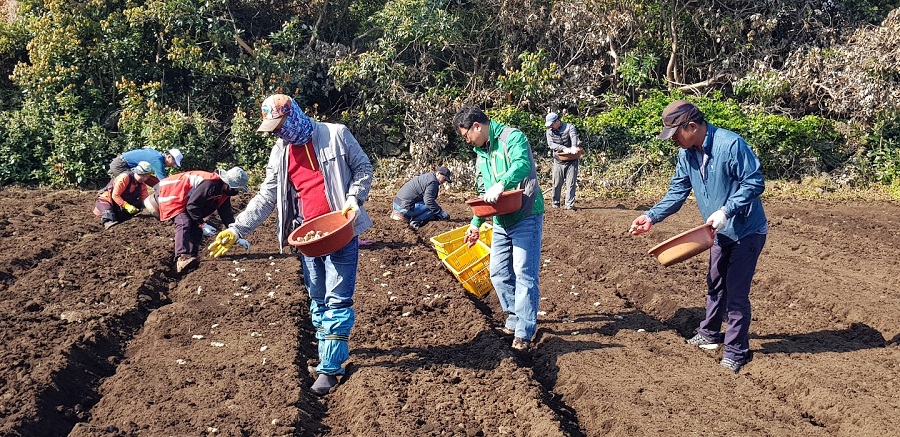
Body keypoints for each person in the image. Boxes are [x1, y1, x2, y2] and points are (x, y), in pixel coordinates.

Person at [206, 94, 374, 396]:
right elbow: (266, 197)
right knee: (319, 297)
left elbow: (364, 169)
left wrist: (354, 198)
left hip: (341, 229)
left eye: (280, 126)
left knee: (337, 299)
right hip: (307, 235)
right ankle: (327, 354)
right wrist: (236, 229)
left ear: (293, 115)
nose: (278, 133)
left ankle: (331, 368)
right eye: (274, 129)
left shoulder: (336, 135)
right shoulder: (279, 153)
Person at [629, 99, 768, 373]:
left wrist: (727, 210)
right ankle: (709, 333)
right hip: (718, 233)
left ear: (691, 126)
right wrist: (651, 216)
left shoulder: (730, 145)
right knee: (715, 283)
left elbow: (755, 181)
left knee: (737, 293)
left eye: (675, 135)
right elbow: (677, 192)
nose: (673, 142)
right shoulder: (687, 154)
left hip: (746, 230)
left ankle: (737, 350)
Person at [452, 105, 545, 351]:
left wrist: (503, 183)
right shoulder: (480, 153)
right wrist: (475, 223)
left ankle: (524, 331)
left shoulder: (511, 137)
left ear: (476, 126)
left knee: (524, 273)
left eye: (466, 135)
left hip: (525, 214)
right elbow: (484, 191)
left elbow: (523, 165)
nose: (466, 140)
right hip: (501, 220)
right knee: (499, 273)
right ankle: (514, 317)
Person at [149, 167, 250, 273]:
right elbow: (192, 206)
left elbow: (226, 214)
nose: (237, 191)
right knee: (184, 222)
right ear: (228, 183)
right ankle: (182, 258)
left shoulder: (224, 192)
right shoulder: (211, 183)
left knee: (196, 225)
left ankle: (192, 257)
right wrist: (202, 224)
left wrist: (236, 234)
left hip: (186, 199)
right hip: (172, 194)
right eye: (237, 188)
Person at [93, 161, 154, 229]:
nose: (144, 178)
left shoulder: (142, 185)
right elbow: (115, 195)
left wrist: (153, 210)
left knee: (139, 204)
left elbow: (145, 199)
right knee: (108, 212)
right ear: (137, 172)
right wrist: (127, 206)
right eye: (142, 175)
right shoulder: (125, 177)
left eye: (147, 176)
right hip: (107, 200)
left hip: (120, 205)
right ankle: (108, 223)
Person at [545, 112, 582, 210]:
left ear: (558, 121)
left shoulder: (569, 127)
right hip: (558, 161)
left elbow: (574, 137)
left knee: (571, 183)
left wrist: (573, 147)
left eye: (552, 124)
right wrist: (563, 148)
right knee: (556, 183)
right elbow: (551, 144)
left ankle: (569, 205)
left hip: (571, 161)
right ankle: (555, 204)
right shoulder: (549, 131)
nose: (551, 127)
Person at [108, 148, 183, 186]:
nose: (173, 165)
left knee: (144, 179)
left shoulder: (158, 156)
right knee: (131, 185)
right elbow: (164, 181)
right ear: (169, 156)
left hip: (124, 164)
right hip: (120, 165)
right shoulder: (157, 161)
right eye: (174, 163)